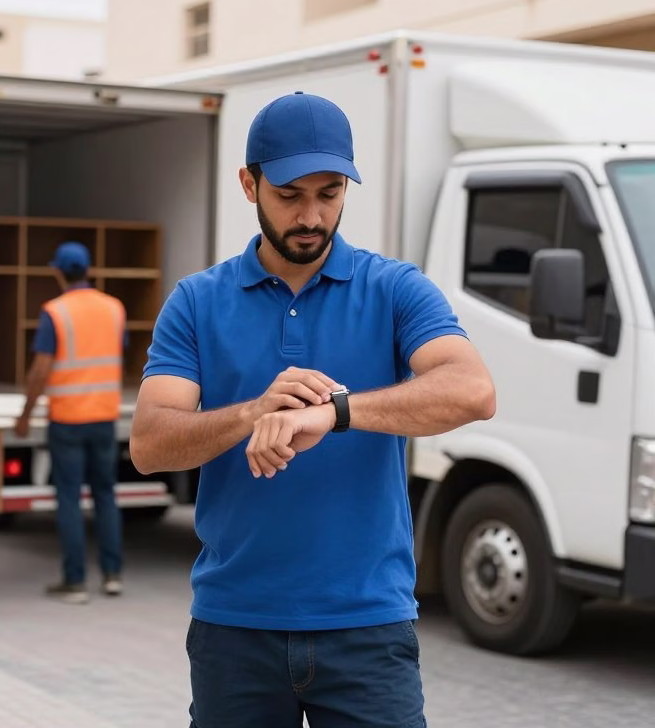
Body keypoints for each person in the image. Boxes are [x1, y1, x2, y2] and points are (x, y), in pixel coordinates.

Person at [129, 92, 497, 726]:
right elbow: (150, 444)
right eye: (290, 194)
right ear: (250, 185)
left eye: (329, 194)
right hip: (234, 628)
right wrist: (253, 414)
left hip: (368, 627)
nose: (311, 215)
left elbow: (472, 390)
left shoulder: (394, 288)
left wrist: (333, 413)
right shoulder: (196, 302)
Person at [14, 242, 126, 604]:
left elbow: (40, 370)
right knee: (106, 495)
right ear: (88, 270)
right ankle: (112, 575)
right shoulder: (114, 309)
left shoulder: (55, 313)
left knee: (69, 499)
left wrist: (26, 413)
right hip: (104, 416)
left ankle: (74, 581)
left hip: (67, 418)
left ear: (59, 273)